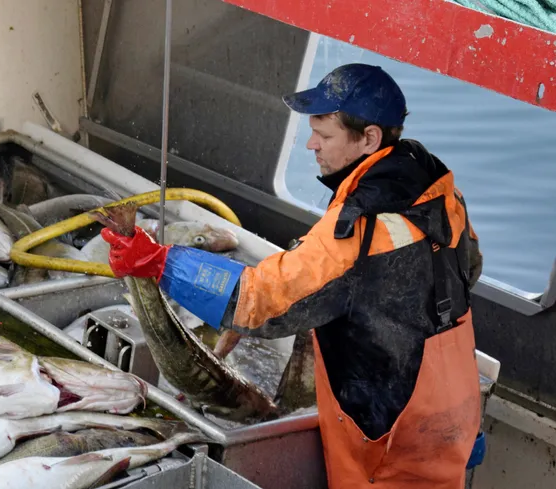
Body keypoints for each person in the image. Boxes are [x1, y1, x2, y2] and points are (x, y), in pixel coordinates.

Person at [101, 63, 485, 488]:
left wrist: (157, 263)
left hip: (391, 429)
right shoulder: (438, 189)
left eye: (325, 134)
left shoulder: (359, 228)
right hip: (452, 396)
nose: (310, 144)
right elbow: (469, 269)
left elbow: (256, 299)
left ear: (370, 138)